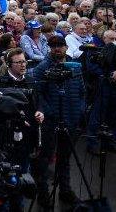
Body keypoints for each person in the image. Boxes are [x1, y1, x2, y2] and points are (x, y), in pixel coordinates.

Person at [32, 35, 84, 207]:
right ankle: (43, 193)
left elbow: (82, 91)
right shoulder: (42, 68)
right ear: (49, 48)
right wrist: (50, 112)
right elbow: (38, 95)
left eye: (60, 45)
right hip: (51, 121)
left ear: (66, 47)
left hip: (71, 118)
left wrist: (80, 110)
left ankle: (66, 190)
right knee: (45, 158)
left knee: (65, 158)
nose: (57, 49)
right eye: (53, 46)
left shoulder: (75, 67)